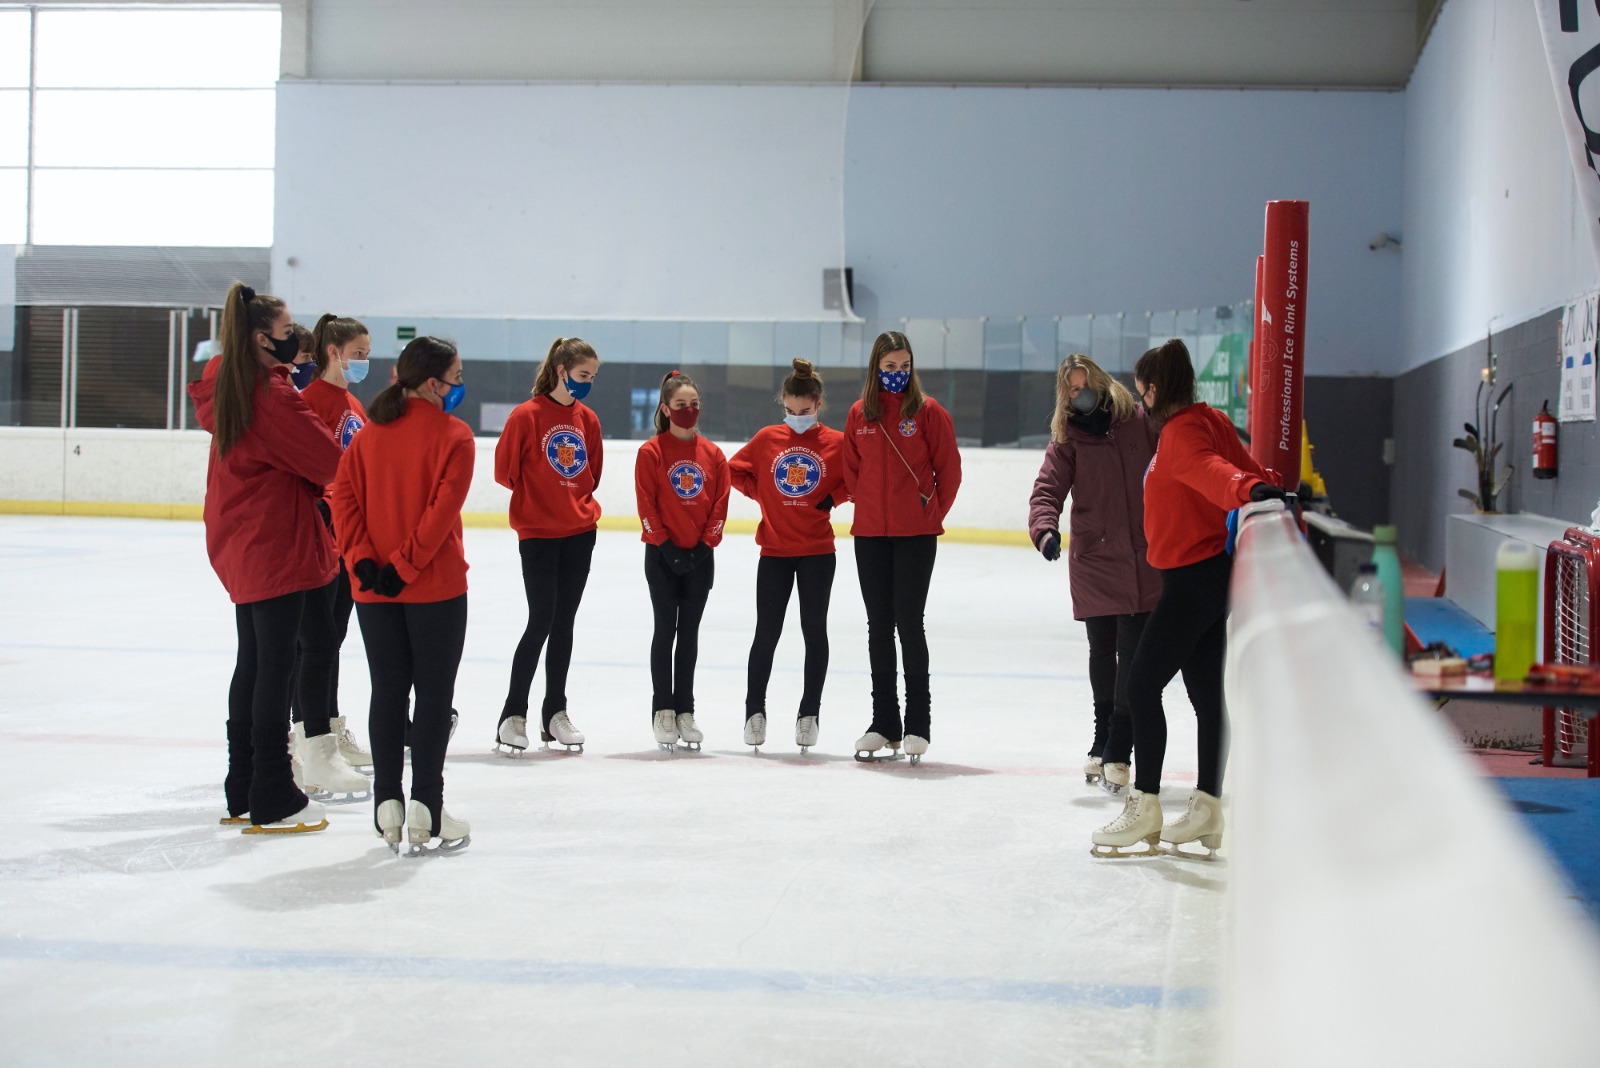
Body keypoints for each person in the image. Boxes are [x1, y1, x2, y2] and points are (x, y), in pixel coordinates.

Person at [1090, 338, 1282, 859]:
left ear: (1153, 390)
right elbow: (1236, 466)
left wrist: (1250, 489)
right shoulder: (1211, 419)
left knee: (1141, 684)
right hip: (1205, 576)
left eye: (1141, 392)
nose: (1140, 401)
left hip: (1193, 579)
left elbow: (1214, 472)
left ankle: (1145, 805)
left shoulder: (1179, 434)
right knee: (1204, 696)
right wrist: (1260, 483)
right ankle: (1208, 808)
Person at [188, 281, 342, 835]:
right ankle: (274, 793)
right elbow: (328, 461)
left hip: (241, 538)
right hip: (275, 541)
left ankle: (244, 784)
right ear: (260, 339)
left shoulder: (230, 384)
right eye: (285, 333)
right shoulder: (270, 396)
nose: (294, 340)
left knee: (254, 660)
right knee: (276, 665)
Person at [331, 336, 475, 854]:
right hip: (434, 587)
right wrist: (404, 566)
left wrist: (365, 563)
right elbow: (440, 514)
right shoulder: (455, 437)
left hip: (374, 591)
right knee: (434, 697)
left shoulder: (369, 435)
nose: (461, 385)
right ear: (433, 383)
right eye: (456, 377)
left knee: (387, 691)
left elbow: (341, 499)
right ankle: (426, 808)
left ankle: (386, 804)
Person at [1028, 354, 1161, 795]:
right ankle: (1102, 735)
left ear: (1101, 382)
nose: (1077, 393)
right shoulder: (1068, 438)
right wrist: (1044, 529)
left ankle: (1119, 745)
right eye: (1069, 388)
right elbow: (1047, 488)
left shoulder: (1139, 422)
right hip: (1094, 556)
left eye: (1083, 384)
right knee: (1101, 650)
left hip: (1142, 557)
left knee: (1132, 650)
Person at [842, 330, 962, 765]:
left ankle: (918, 724)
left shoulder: (930, 413)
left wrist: (929, 515)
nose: (897, 373)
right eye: (890, 366)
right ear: (876, 367)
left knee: (909, 623)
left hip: (916, 536)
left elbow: (949, 472)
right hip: (870, 535)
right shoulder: (859, 414)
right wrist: (872, 509)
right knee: (878, 627)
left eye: (904, 365)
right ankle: (884, 723)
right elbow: (851, 473)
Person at [729, 358, 849, 752]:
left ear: (818, 404)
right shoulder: (767, 439)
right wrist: (763, 494)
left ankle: (809, 713)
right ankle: (754, 711)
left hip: (817, 552)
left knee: (814, 632)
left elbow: (859, 477)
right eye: (790, 411)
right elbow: (735, 470)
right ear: (783, 404)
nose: (797, 417)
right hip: (775, 551)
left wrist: (834, 497)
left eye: (805, 411)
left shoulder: (837, 443)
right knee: (767, 632)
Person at [493, 337, 603, 756]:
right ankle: (511, 714)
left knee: (564, 623)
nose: (587, 383)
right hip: (538, 534)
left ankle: (554, 712)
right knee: (541, 619)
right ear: (561, 370)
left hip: (579, 532)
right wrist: (542, 497)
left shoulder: (587, 420)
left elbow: (591, 473)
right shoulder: (526, 416)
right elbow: (505, 471)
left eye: (592, 377)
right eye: (581, 376)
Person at [288, 314, 376, 794]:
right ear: (333, 352)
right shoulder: (310, 403)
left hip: (349, 535)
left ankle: (328, 726)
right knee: (313, 642)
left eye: (366, 353)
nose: (364, 361)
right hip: (323, 532)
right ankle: (309, 736)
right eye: (358, 353)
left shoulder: (350, 402)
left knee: (332, 639)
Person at [634, 370, 729, 751]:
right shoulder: (651, 452)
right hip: (662, 558)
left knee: (689, 635)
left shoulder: (714, 455)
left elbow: (720, 505)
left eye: (693, 404)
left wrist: (703, 547)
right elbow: (646, 504)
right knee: (665, 632)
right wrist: (667, 547)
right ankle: (663, 709)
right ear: (665, 409)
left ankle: (685, 709)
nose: (688, 411)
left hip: (700, 559)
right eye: (680, 405)